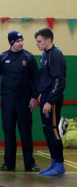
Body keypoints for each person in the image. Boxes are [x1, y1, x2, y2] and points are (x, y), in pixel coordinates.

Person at [0, 31, 40, 172]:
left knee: (26, 132)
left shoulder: (29, 57)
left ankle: (30, 163)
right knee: (9, 131)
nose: (21, 43)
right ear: (11, 42)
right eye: (17, 41)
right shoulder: (2, 58)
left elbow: (36, 78)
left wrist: (34, 97)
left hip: (25, 100)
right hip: (8, 100)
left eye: (22, 40)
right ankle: (8, 163)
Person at [35, 27, 66, 176]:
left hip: (52, 98)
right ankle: (53, 161)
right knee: (47, 129)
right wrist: (41, 93)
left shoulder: (56, 55)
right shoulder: (45, 55)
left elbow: (59, 81)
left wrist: (50, 101)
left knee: (53, 129)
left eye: (39, 41)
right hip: (46, 95)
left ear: (48, 40)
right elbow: (45, 77)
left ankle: (59, 164)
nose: (37, 44)